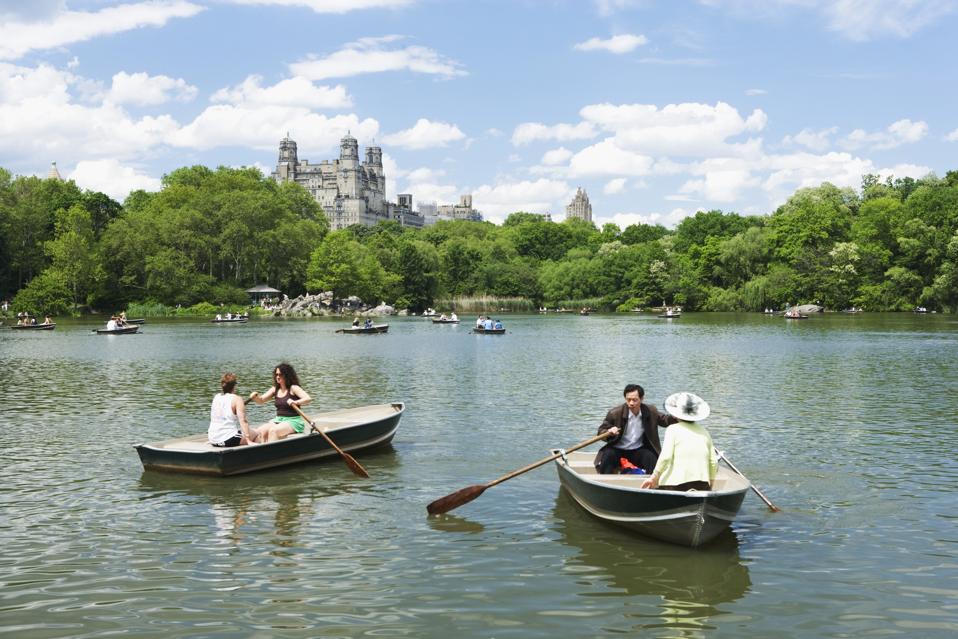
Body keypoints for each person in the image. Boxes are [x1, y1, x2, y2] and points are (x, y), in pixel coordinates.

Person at [594, 383, 678, 475]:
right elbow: (601, 431)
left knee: (650, 457)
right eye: (628, 400)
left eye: (635, 400)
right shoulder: (615, 413)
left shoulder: (650, 411)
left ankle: (653, 484)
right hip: (617, 449)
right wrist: (608, 431)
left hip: (637, 450)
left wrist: (676, 416)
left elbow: (665, 420)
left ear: (642, 399)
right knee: (608, 455)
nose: (631, 403)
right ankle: (604, 483)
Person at [642, 392, 717, 492]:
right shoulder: (705, 432)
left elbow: (665, 457)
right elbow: (713, 462)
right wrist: (710, 484)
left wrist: (654, 478)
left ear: (676, 415)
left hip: (675, 485)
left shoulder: (672, 429)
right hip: (702, 486)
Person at [249, 362, 312, 443]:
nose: (278, 377)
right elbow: (261, 400)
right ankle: (262, 452)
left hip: (293, 421)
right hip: (279, 420)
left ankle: (273, 453)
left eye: (280, 374)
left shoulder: (293, 388)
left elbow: (308, 398)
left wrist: (296, 402)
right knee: (262, 431)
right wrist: (254, 397)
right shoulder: (275, 389)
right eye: (276, 374)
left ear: (287, 375)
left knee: (273, 431)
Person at [208, 372, 255, 447]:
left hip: (212, 439)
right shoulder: (237, 399)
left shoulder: (216, 397)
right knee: (256, 433)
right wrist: (248, 440)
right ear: (234, 386)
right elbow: (243, 421)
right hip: (228, 439)